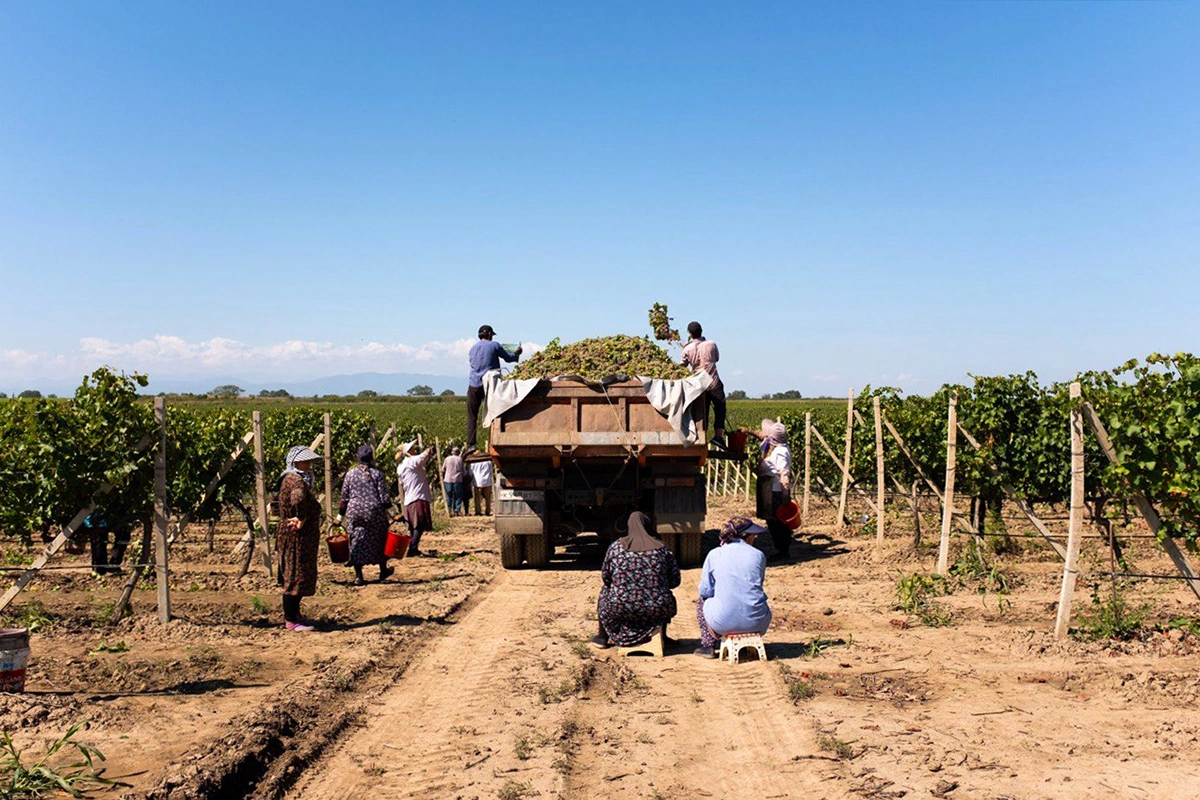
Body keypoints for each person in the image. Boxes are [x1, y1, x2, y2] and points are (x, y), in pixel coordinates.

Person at [592, 511, 681, 649]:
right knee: (663, 593)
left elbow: (606, 578)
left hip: (621, 608)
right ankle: (662, 635)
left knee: (605, 591)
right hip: (657, 609)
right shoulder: (662, 549)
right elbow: (675, 581)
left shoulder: (616, 548)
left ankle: (602, 637)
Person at [695, 517, 772, 658]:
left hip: (723, 622)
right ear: (745, 536)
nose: (756, 537)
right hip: (759, 622)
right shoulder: (758, 555)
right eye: (753, 534)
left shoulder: (714, 554)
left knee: (702, 600)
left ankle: (708, 645)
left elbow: (705, 590)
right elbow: (757, 584)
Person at [277, 446, 324, 631]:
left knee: (298, 574)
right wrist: (301, 517)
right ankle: (291, 620)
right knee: (295, 576)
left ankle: (296, 615)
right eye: (305, 462)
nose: (309, 465)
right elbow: (298, 499)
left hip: (297, 537)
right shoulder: (296, 481)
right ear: (295, 463)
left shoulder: (288, 478)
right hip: (296, 538)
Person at [338, 445, 395, 586]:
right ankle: (383, 570)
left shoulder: (350, 474)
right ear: (372, 457)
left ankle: (359, 576)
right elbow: (384, 497)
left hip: (355, 511)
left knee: (357, 539)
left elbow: (344, 497)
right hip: (374, 511)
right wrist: (395, 514)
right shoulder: (376, 474)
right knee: (380, 537)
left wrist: (339, 517)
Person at [465, 325, 522, 455]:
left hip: (473, 384)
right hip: (489, 383)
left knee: (472, 416)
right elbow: (508, 357)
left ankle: (471, 445)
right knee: (496, 411)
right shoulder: (494, 345)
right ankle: (496, 441)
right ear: (489, 334)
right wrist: (517, 354)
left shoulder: (473, 348)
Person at [752, 419, 793, 560]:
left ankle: (783, 551)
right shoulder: (775, 446)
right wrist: (750, 431)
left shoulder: (780, 451)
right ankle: (781, 549)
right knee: (772, 521)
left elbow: (784, 473)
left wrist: (785, 493)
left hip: (775, 490)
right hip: (770, 488)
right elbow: (763, 436)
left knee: (777, 522)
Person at [681, 321, 725, 448]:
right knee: (720, 408)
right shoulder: (711, 344)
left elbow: (683, 365)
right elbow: (716, 358)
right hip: (713, 382)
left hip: (698, 386)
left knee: (700, 412)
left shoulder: (687, 348)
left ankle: (701, 436)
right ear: (701, 331)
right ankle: (718, 436)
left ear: (690, 334)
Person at [397, 439, 435, 556]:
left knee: (414, 526)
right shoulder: (411, 461)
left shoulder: (401, 466)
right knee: (419, 524)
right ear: (409, 451)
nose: (415, 449)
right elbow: (423, 456)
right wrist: (430, 448)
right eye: (413, 448)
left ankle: (413, 548)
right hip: (418, 496)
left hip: (410, 497)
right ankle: (412, 549)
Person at [82, 507, 130, 576]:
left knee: (123, 533)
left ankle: (111, 564)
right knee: (99, 539)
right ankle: (100, 568)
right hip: (97, 518)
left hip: (105, 516)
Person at [442, 447, 465, 516]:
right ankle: (457, 510)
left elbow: (443, 469)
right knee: (458, 496)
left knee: (449, 495)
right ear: (458, 453)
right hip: (457, 480)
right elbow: (463, 470)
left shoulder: (447, 459)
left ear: (452, 452)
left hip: (448, 479)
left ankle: (448, 510)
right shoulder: (459, 459)